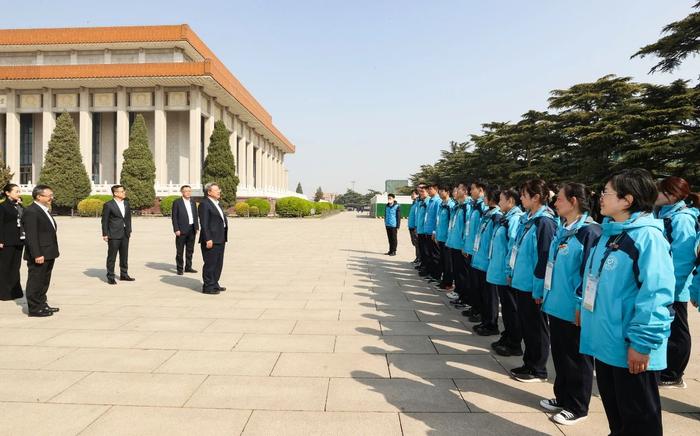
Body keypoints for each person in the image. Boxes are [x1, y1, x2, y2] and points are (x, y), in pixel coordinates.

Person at [579, 168, 673, 436]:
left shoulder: (647, 237)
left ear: (627, 200)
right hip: (607, 342)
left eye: (606, 193)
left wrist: (642, 344)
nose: (601, 197)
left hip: (631, 347)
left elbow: (656, 296)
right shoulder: (611, 234)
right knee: (618, 415)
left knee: (640, 419)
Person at [538, 183, 601, 425]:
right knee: (561, 354)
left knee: (577, 357)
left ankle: (577, 405)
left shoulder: (590, 232)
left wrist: (579, 304)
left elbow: (589, 273)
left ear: (574, 201)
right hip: (556, 302)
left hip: (573, 307)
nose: (555, 203)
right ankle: (562, 395)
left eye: (560, 199)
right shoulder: (564, 228)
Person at [508, 179, 557, 383]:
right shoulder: (529, 220)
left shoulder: (544, 222)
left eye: (524, 194)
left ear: (536, 197)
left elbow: (544, 258)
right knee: (527, 325)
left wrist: (538, 289)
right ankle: (529, 363)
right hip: (522, 282)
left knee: (536, 327)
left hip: (532, 286)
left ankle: (538, 369)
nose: (521, 197)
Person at [654, 176, 700, 388]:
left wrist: (671, 286)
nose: (655, 194)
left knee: (677, 330)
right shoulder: (664, 214)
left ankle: (674, 373)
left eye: (659, 191)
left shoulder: (682, 219)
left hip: (674, 286)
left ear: (671, 195)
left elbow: (683, 258)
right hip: (664, 283)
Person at [487, 188, 525, 356]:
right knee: (508, 308)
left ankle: (514, 342)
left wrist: (509, 270)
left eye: (501, 199)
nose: (499, 202)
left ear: (510, 201)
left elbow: (513, 247)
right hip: (501, 269)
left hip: (506, 271)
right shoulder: (507, 217)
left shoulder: (515, 219)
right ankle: (508, 335)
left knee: (511, 308)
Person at [22, 185, 59, 317]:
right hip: (39, 254)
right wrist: (37, 254)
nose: (51, 198)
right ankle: (34, 308)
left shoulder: (44, 210)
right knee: (35, 280)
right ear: (39, 196)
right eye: (49, 196)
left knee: (44, 280)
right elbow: (31, 236)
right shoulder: (32, 211)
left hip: (49, 252)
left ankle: (42, 304)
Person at [470, 186, 502, 336]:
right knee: (482, 293)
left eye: (486, 196)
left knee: (490, 296)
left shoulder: (496, 216)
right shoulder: (487, 213)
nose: (484, 198)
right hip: (480, 259)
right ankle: (485, 321)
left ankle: (491, 324)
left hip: (487, 261)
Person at [462, 181, 488, 321]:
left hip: (478, 251)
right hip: (472, 247)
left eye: (472, 189)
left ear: (481, 190)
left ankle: (480, 311)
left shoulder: (483, 207)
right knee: (473, 282)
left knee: (479, 284)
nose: (470, 191)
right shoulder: (474, 205)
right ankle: (475, 307)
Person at [199, 182, 228, 294]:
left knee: (218, 263)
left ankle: (215, 283)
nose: (219, 191)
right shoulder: (205, 204)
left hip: (220, 238)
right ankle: (208, 287)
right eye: (216, 190)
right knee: (210, 263)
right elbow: (204, 223)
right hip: (211, 239)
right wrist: (208, 239)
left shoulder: (217, 203)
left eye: (218, 189)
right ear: (209, 192)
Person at [101, 185, 134, 285]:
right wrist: (105, 234)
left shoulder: (126, 203)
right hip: (113, 234)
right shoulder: (108, 205)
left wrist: (129, 230)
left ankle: (124, 274)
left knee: (124, 255)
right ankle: (110, 276)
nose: (124, 193)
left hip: (125, 233)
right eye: (122, 191)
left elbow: (128, 218)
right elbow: (104, 221)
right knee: (112, 256)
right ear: (115, 193)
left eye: (124, 191)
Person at [0, 184, 25, 301]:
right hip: (6, 242)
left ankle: (15, 291)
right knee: (5, 267)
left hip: (19, 240)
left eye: (19, 191)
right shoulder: (2, 207)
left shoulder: (19, 206)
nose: (18, 193)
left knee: (16, 267)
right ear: (7, 193)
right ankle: (4, 293)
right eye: (16, 191)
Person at [445, 183, 469, 303]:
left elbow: (467, 228)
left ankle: (464, 296)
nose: (455, 192)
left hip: (461, 245)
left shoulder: (467, 207)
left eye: (458, 190)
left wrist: (465, 245)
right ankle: (458, 292)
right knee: (457, 271)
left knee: (463, 273)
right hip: (454, 243)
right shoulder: (458, 206)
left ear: (465, 191)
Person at [172, 185, 199, 275]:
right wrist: (176, 229)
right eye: (186, 191)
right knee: (180, 250)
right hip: (181, 230)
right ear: (182, 192)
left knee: (190, 249)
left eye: (189, 191)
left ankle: (188, 267)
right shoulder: (177, 202)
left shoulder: (193, 202)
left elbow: (195, 215)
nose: (188, 193)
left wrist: (197, 227)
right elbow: (174, 217)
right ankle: (180, 268)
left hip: (192, 229)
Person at [434, 186, 455, 289]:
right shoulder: (442, 204)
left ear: (447, 192)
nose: (440, 193)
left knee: (448, 263)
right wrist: (437, 234)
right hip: (441, 237)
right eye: (439, 191)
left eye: (442, 191)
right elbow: (439, 221)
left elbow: (452, 223)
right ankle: (444, 281)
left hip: (447, 238)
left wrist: (449, 237)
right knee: (442, 260)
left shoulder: (451, 205)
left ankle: (448, 283)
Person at [422, 184, 442, 281]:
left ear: (436, 190)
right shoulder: (430, 201)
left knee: (435, 255)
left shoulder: (438, 201)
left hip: (433, 232)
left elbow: (437, 218)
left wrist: (435, 231)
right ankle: (430, 272)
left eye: (430, 189)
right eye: (428, 189)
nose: (429, 191)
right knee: (429, 253)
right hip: (427, 230)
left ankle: (436, 275)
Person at [414, 184, 429, 274]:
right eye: (420, 191)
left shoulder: (428, 202)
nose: (421, 193)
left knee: (425, 250)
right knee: (422, 250)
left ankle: (426, 267)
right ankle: (422, 265)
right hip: (420, 229)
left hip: (425, 230)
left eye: (423, 191)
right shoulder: (420, 201)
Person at [407, 190, 421, 263]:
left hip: (415, 227)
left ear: (418, 195)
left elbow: (417, 215)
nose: (412, 195)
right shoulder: (413, 203)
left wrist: (416, 226)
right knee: (414, 243)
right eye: (411, 194)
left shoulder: (418, 203)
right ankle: (417, 257)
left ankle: (419, 258)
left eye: (413, 194)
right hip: (411, 226)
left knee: (417, 243)